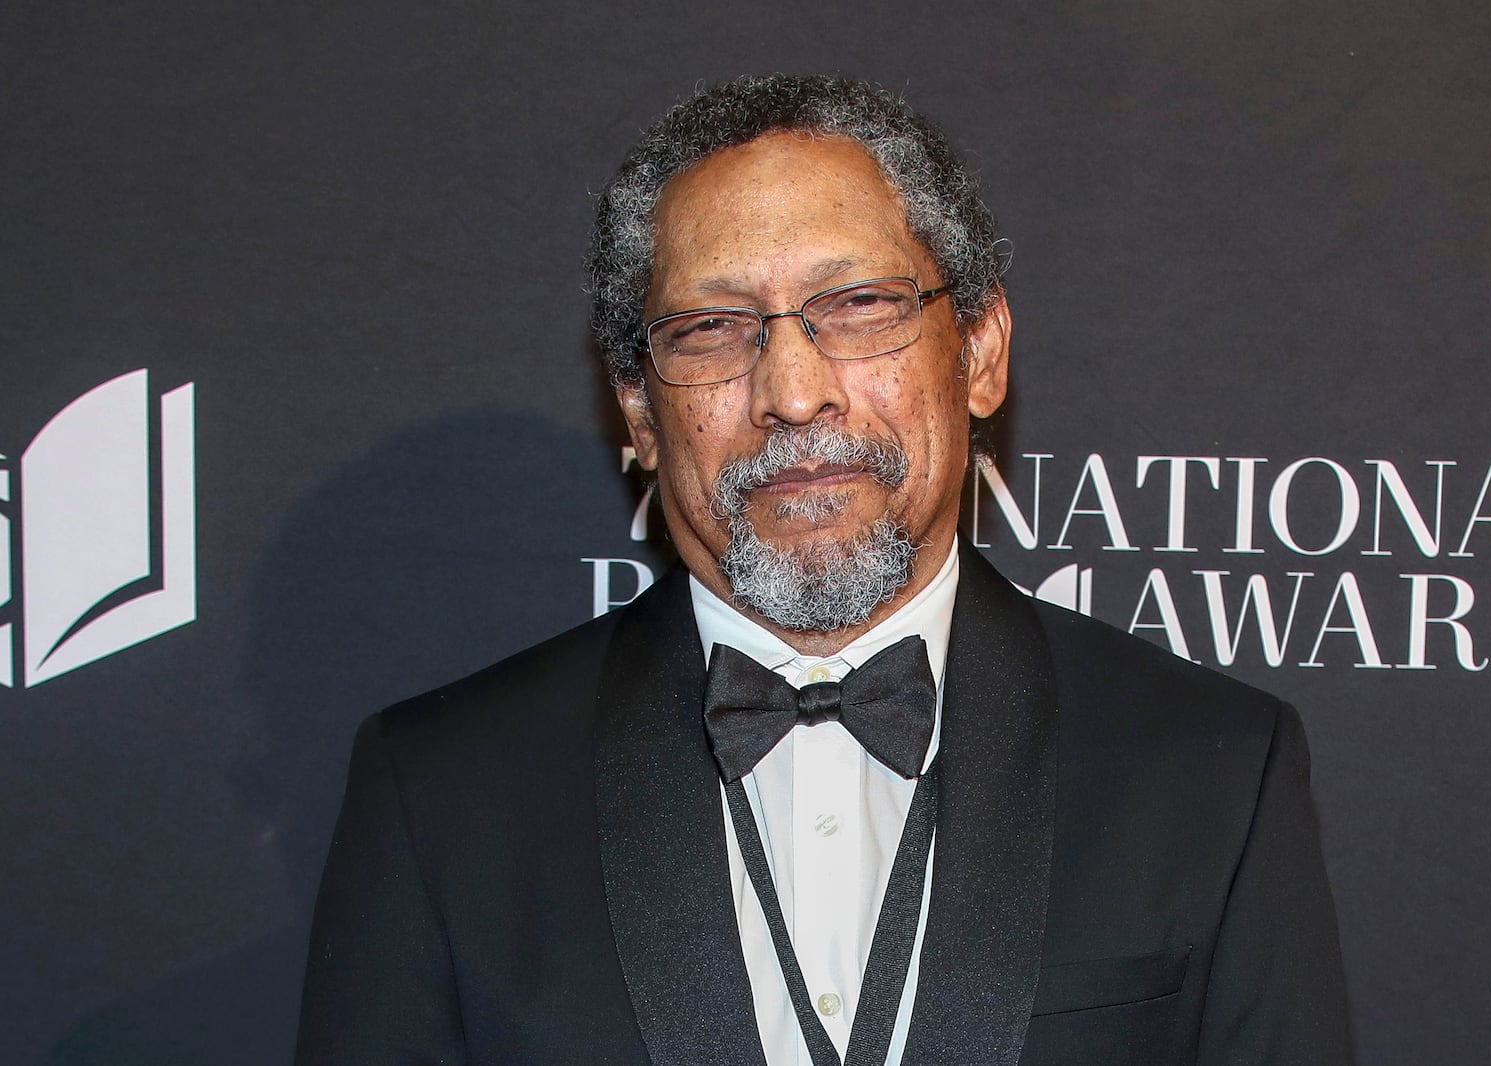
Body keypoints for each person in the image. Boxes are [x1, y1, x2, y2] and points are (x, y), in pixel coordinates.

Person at [295, 74, 1352, 1066]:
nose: (793, 391)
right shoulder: (442, 790)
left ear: (979, 351)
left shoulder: (1211, 767)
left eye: (857, 305)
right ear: (639, 412)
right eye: (713, 328)